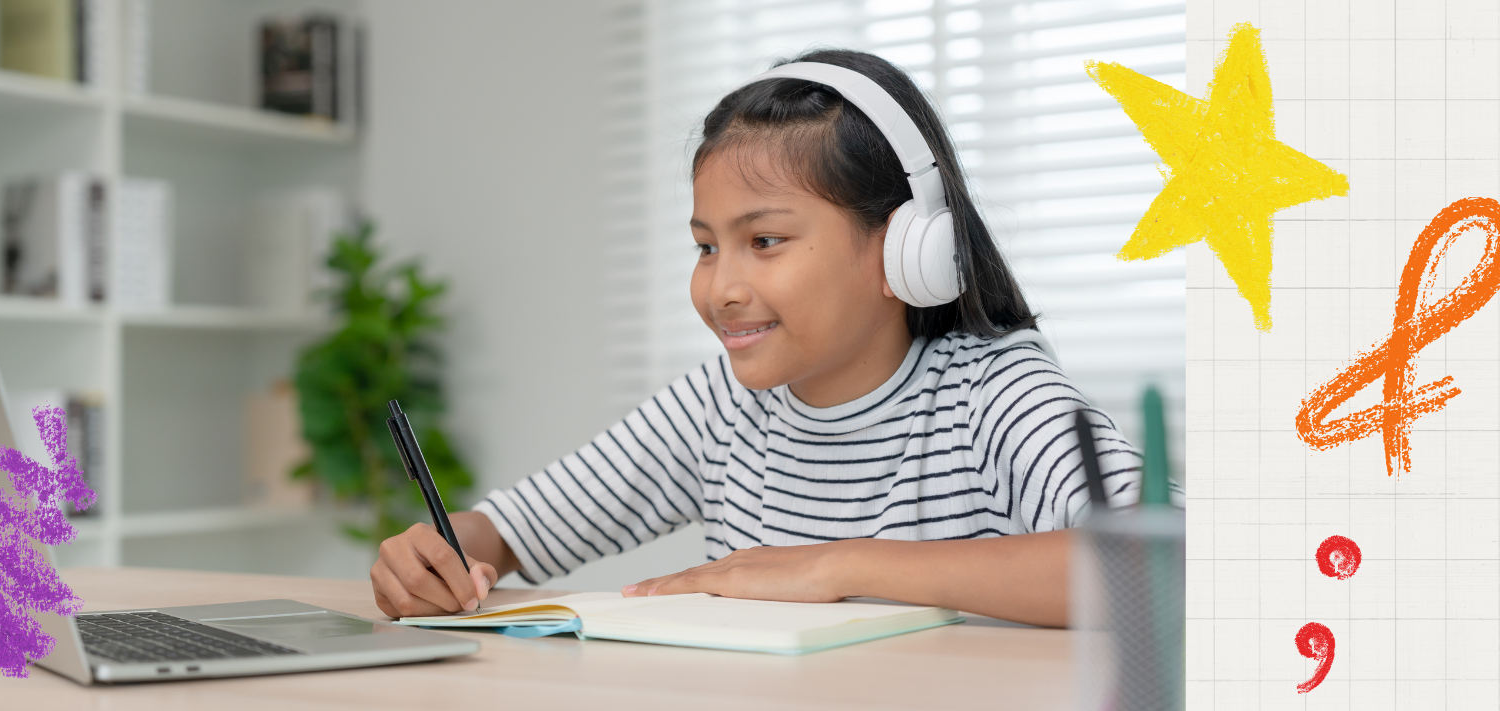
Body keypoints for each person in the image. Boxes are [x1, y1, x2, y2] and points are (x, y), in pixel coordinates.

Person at [369, 49, 1159, 629]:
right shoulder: (722, 404)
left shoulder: (992, 395)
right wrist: (436, 556)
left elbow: (1169, 566)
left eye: (766, 241)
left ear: (904, 250)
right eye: (707, 247)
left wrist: (839, 565)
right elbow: (512, 531)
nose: (722, 287)